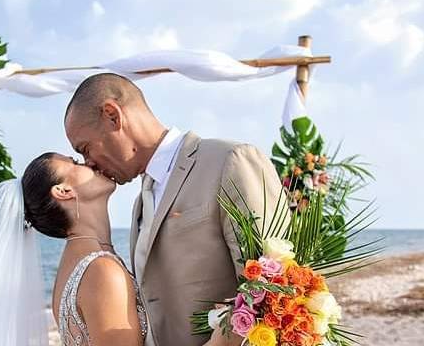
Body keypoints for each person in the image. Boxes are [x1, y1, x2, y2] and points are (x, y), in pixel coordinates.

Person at [64, 73, 286, 345]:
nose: (90, 164)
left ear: (112, 116)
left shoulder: (229, 161)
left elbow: (276, 291)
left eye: (86, 148)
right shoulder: (139, 204)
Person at [0, 152, 227, 346]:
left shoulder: (82, 264)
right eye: (75, 162)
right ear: (64, 191)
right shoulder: (101, 271)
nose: (90, 162)